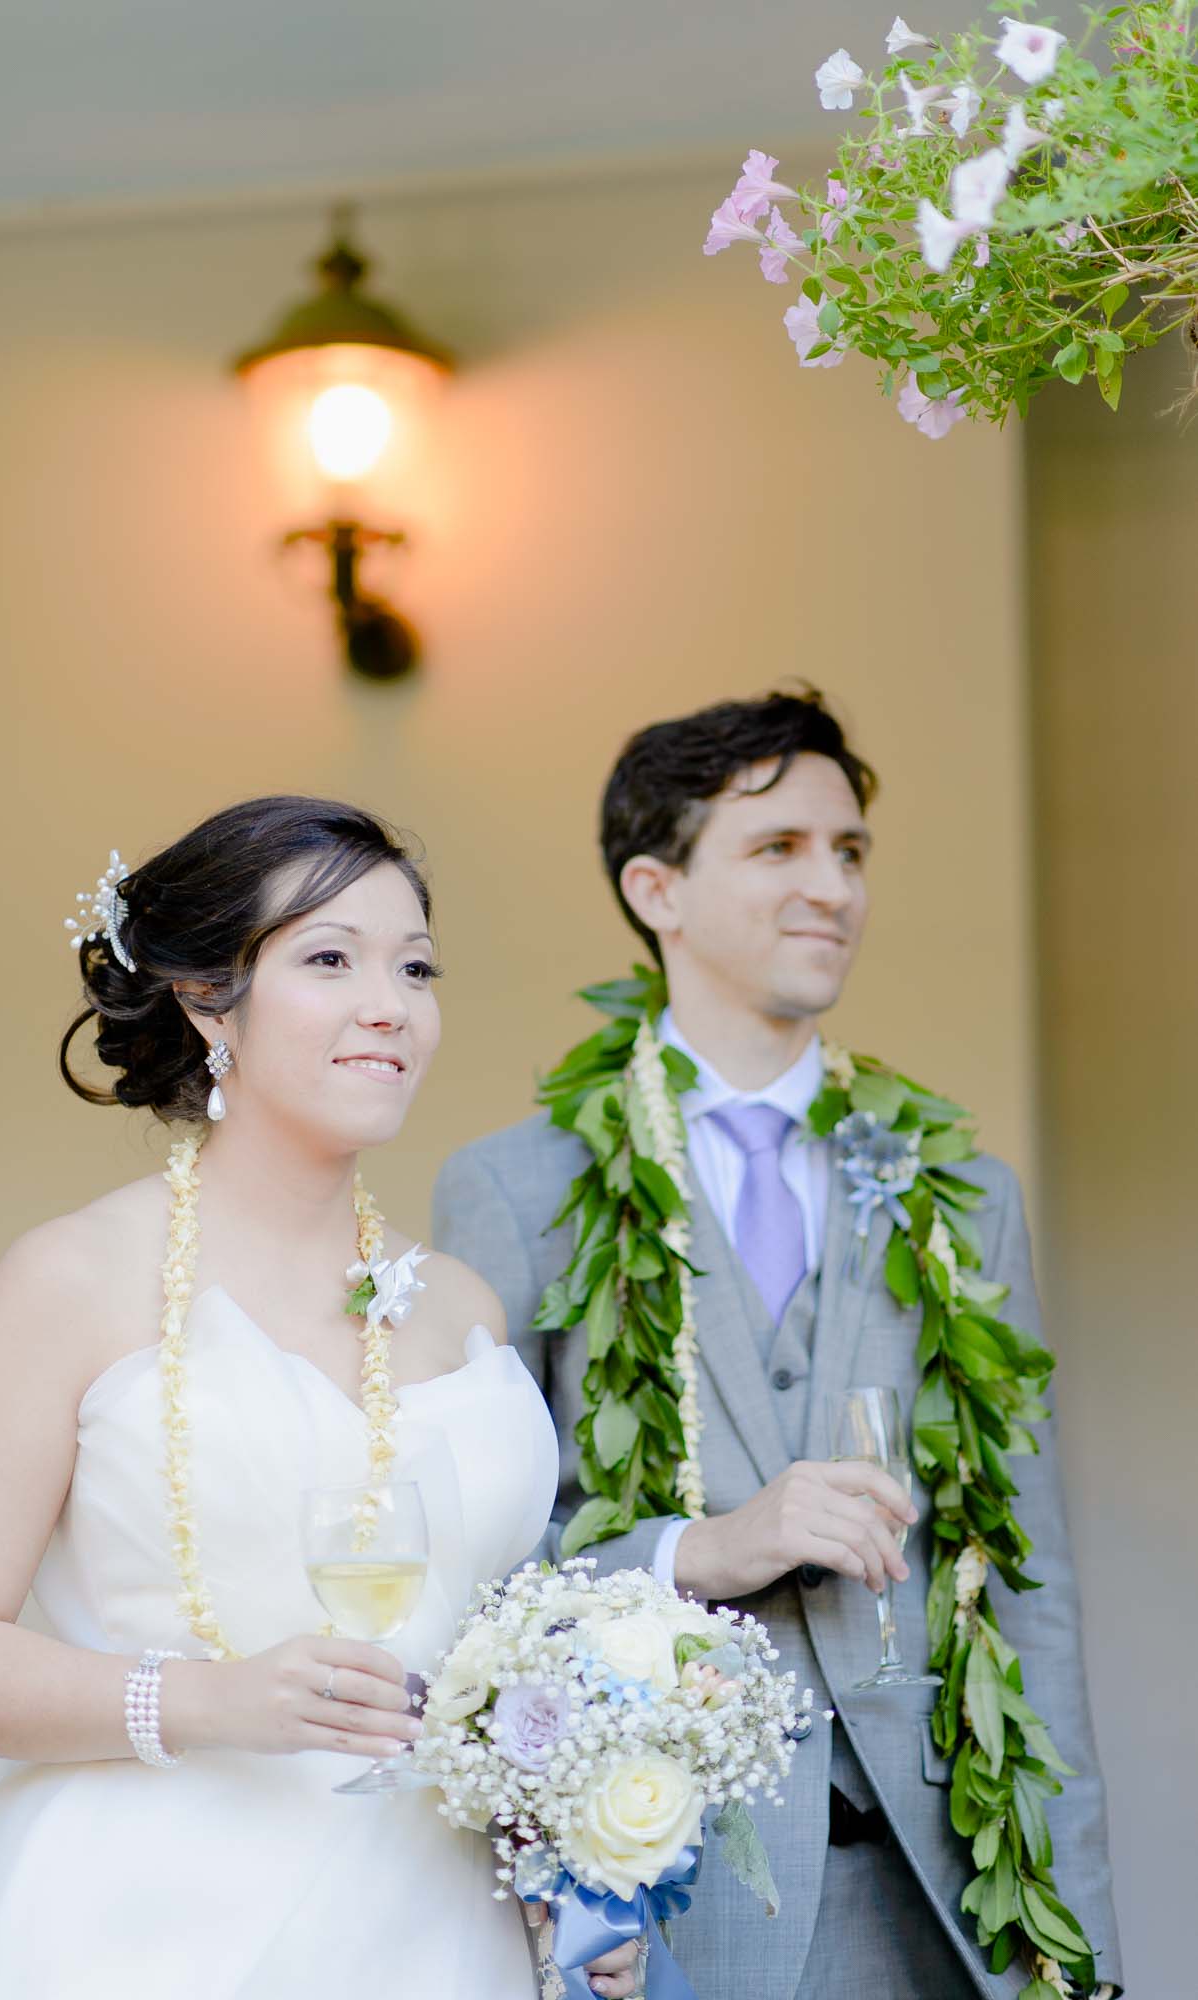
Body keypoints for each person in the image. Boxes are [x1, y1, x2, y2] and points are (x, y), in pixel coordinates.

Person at [0, 796, 637, 2000]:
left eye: (415, 966)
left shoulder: (461, 1307)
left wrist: (576, 1858)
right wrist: (205, 1697)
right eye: (329, 957)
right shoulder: (72, 1279)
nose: (389, 1002)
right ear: (203, 997)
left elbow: (492, 1651)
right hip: (140, 1931)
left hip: (446, 1936)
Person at [434, 692, 1124, 2000]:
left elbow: (1032, 1595)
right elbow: (474, 1565)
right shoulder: (514, 1190)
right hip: (670, 1887)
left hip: (943, 1899)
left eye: (848, 852)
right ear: (656, 889)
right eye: (777, 850)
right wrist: (698, 1552)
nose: (831, 887)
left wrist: (1069, 1949)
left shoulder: (957, 1196)